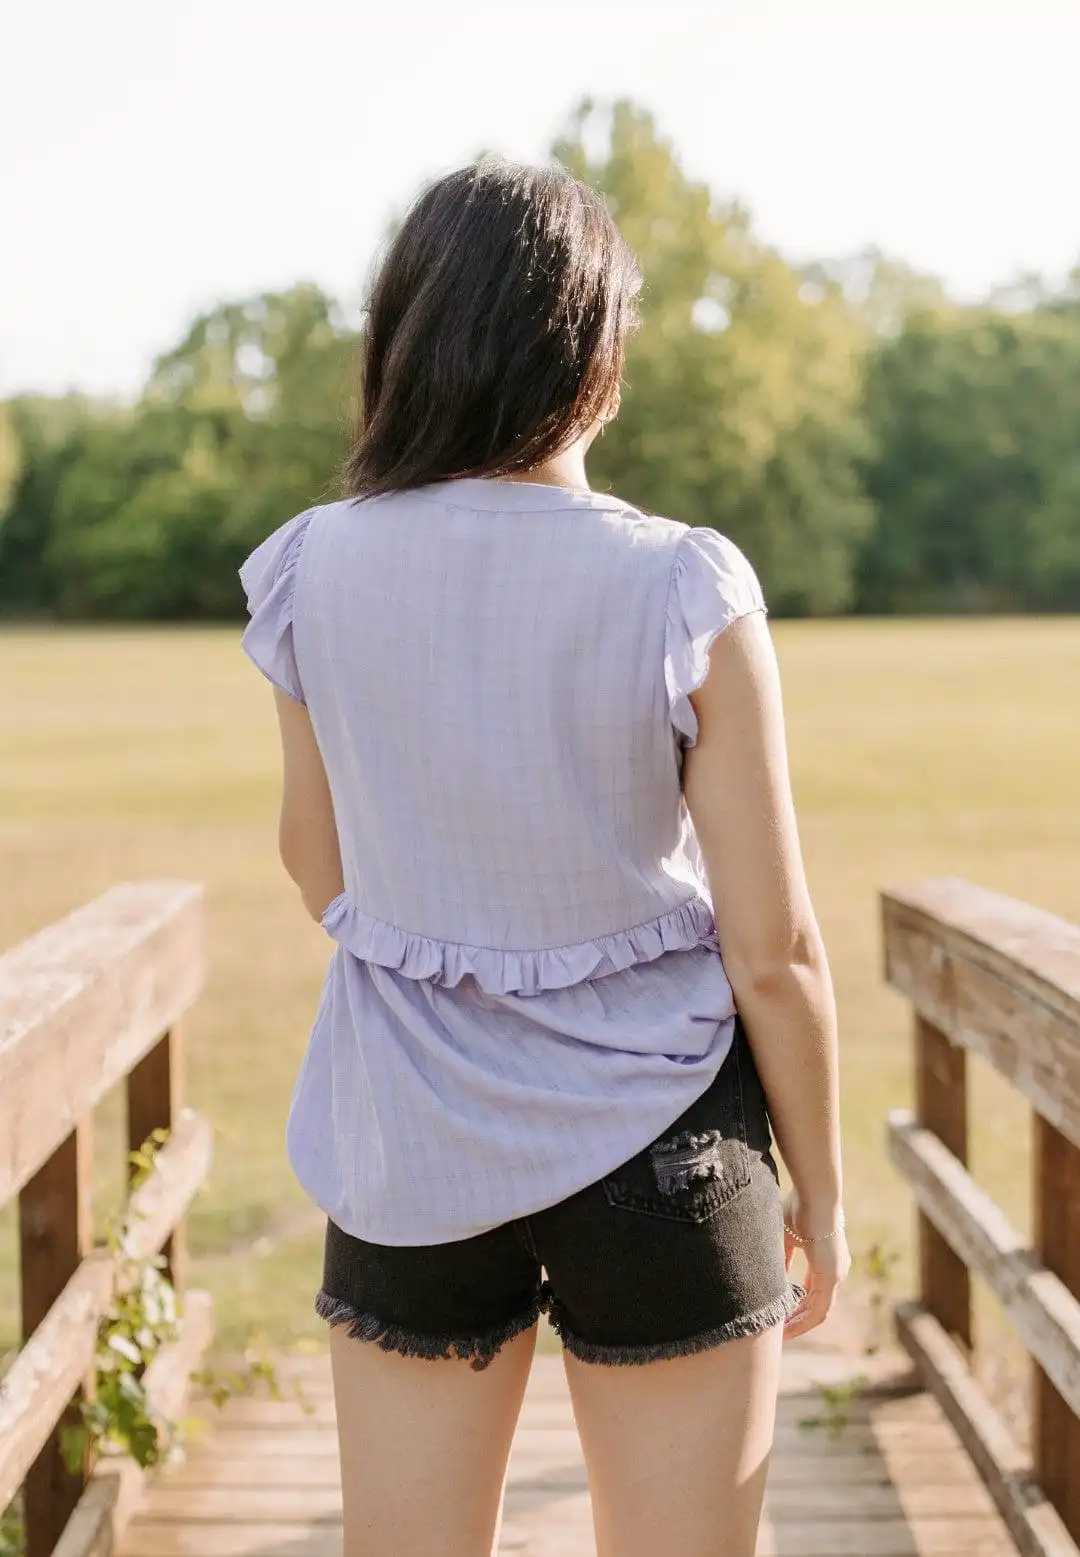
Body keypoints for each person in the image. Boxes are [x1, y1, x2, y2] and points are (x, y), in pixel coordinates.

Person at [239, 157, 849, 1557]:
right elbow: (777, 948)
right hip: (666, 1135)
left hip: (409, 1130)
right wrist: (823, 1188)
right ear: (598, 349)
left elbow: (312, 857)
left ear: (408, 343)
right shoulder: (681, 578)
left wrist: (449, 932)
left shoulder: (311, 567)